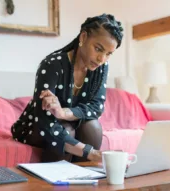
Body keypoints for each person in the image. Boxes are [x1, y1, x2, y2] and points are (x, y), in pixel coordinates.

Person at [11, 14, 123, 162]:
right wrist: (91, 152)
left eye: (108, 54)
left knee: (93, 127)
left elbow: (96, 108)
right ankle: (56, 183)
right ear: (83, 37)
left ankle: (84, 180)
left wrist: (64, 113)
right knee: (67, 131)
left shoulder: (101, 67)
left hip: (70, 121)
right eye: (98, 49)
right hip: (37, 125)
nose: (101, 59)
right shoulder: (52, 65)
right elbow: (44, 121)